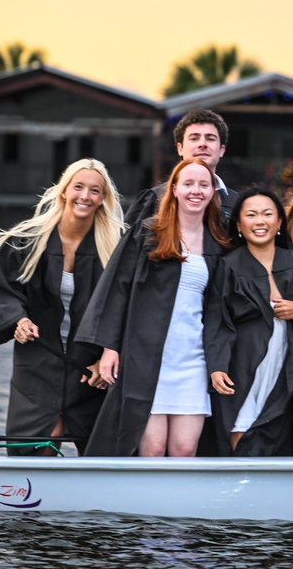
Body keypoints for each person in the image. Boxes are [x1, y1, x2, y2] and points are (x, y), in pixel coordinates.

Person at [75, 158, 231, 457]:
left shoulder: (219, 242)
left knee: (185, 449)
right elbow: (118, 287)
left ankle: (178, 505)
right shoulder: (149, 232)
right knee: (153, 448)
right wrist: (110, 347)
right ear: (173, 189)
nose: (195, 191)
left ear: (213, 191)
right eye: (187, 184)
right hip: (147, 357)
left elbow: (218, 309)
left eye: (203, 184)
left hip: (193, 358)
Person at [0, 158, 125, 455]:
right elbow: (2, 289)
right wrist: (17, 321)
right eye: (79, 187)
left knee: (102, 451)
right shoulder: (26, 241)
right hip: (38, 362)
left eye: (95, 191)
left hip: (91, 367)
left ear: (103, 199)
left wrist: (110, 355)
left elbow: (131, 307)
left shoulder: (118, 247)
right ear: (63, 191)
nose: (85, 196)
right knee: (41, 443)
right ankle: (30, 497)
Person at [204, 186, 293, 456]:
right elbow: (216, 319)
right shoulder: (229, 266)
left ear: (280, 222)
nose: (260, 221)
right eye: (251, 215)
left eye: (267, 214)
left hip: (288, 364)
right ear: (238, 224)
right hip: (242, 363)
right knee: (239, 427)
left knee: (278, 430)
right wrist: (217, 366)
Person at [124, 109, 237, 228]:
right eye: (194, 138)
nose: (202, 144)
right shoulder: (155, 198)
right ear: (180, 148)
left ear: (222, 150)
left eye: (210, 138)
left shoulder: (236, 203)